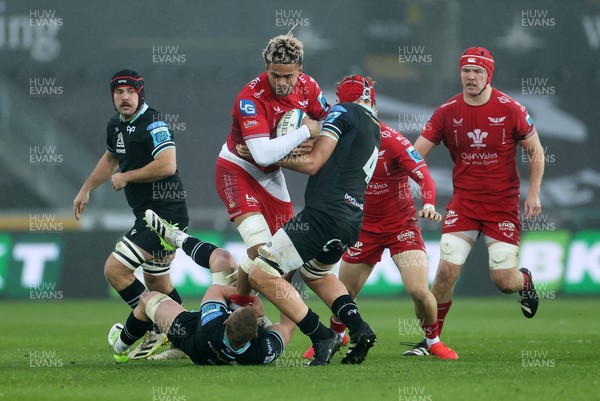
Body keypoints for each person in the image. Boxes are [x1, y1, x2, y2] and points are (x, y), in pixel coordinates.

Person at [73, 69, 237, 360]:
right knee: (158, 283)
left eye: (131, 92)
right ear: (112, 96)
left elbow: (167, 165)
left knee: (115, 269)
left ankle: (156, 324)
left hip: (164, 217)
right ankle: (183, 336)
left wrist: (128, 177)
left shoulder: (154, 124)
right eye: (119, 92)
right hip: (146, 216)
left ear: (141, 94)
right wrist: (86, 188)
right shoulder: (115, 126)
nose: (125, 97)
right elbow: (111, 157)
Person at [404, 46, 544, 356]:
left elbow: (535, 151)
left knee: (504, 282)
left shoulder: (511, 109)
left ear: (488, 75)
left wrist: (533, 192)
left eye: (477, 71)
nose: (470, 76)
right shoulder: (446, 111)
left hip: (502, 205)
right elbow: (414, 155)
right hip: (464, 203)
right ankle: (430, 341)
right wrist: (402, 180)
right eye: (466, 71)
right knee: (444, 274)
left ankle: (525, 283)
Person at [302, 84, 458, 360]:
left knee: (419, 291)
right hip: (361, 226)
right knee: (344, 292)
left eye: (363, 107)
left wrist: (430, 203)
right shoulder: (334, 140)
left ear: (373, 107)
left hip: (401, 226)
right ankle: (337, 335)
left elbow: (423, 175)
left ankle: (432, 339)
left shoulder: (391, 139)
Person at [248, 75, 381, 366]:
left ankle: (321, 335)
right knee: (316, 274)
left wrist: (269, 157)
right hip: (350, 220)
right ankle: (359, 329)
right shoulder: (375, 128)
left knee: (260, 274)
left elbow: (313, 163)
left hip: (321, 216)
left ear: (341, 99)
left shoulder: (343, 111)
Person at [214, 33, 330, 309]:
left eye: (288, 76)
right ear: (266, 67)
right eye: (275, 75)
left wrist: (314, 138)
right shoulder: (249, 98)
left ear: (300, 70)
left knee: (283, 258)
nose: (280, 82)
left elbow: (329, 122)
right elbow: (262, 154)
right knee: (261, 250)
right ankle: (247, 312)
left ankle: (239, 303)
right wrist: (305, 131)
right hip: (237, 170)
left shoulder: (309, 87)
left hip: (271, 175)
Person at [107, 284, 295, 365]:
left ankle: (120, 345)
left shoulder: (212, 322)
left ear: (226, 319)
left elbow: (216, 289)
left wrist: (249, 298)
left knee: (147, 299)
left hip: (191, 338)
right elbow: (288, 325)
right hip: (205, 353)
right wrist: (263, 315)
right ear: (255, 335)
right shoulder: (265, 351)